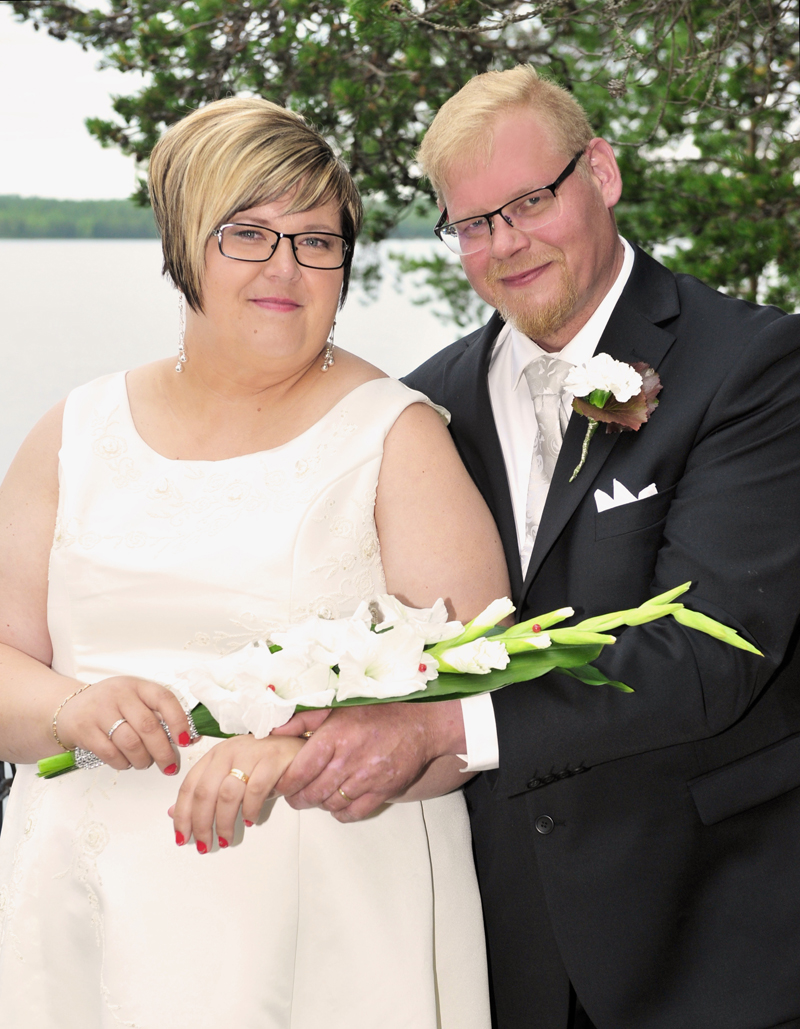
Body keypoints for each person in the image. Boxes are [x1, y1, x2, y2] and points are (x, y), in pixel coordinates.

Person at [274, 67, 800, 1028]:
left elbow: (710, 649)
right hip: (501, 941)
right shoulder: (425, 407)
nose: (505, 243)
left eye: (528, 202)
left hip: (714, 934)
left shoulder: (754, 364)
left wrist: (444, 730)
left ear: (601, 172)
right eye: (473, 223)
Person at [0, 96, 509, 1029]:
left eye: (318, 241)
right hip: (81, 914)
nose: (286, 267)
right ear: (183, 245)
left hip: (322, 927)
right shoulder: (72, 433)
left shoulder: (397, 437)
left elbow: (477, 696)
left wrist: (302, 755)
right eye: (248, 234)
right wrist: (70, 708)